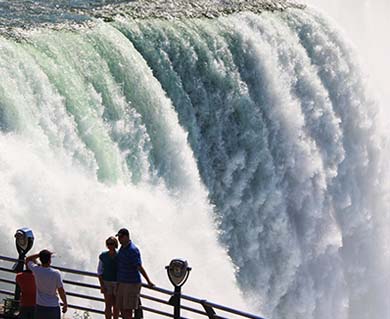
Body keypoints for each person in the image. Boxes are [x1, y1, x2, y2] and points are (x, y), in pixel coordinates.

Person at [115, 228, 154, 319]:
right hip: (122, 282)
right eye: (118, 237)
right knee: (121, 307)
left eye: (121, 237)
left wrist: (148, 281)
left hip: (131, 283)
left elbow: (139, 266)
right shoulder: (122, 248)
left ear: (126, 237)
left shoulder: (133, 250)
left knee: (128, 309)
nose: (119, 239)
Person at [25, 250, 68, 319]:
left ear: (40, 259)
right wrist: (65, 303)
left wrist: (40, 255)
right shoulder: (56, 273)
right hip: (53, 307)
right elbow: (61, 290)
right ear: (50, 260)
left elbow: (27, 259)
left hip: (40, 306)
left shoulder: (36, 270)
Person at [98, 236, 119, 319]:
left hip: (117, 283)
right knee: (108, 304)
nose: (110, 246)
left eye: (112, 244)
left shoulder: (120, 256)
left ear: (115, 245)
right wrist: (102, 285)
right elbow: (99, 271)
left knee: (116, 305)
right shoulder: (103, 256)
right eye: (108, 244)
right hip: (106, 282)